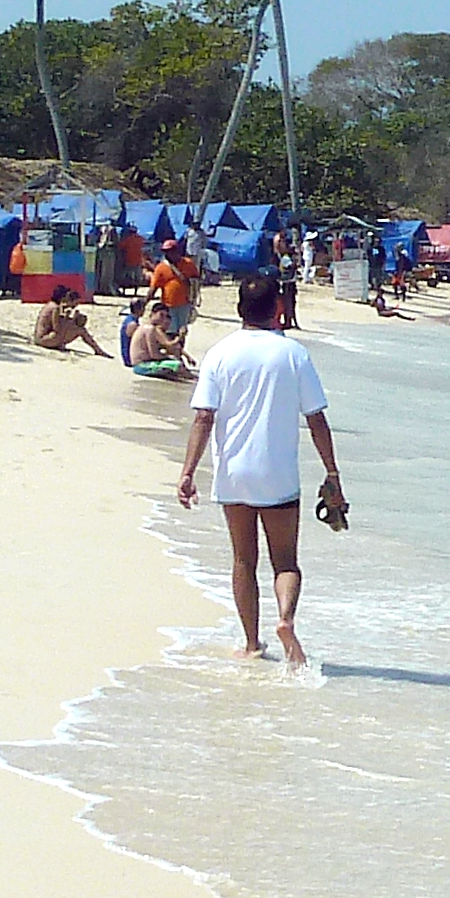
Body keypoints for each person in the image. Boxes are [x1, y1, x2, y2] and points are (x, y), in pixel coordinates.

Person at [178, 277, 342, 666]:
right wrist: (332, 473)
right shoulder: (292, 354)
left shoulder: (219, 354)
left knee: (242, 560)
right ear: (278, 309)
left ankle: (251, 643)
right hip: (278, 473)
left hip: (233, 473)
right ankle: (284, 620)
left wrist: (187, 472)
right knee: (284, 561)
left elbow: (203, 417)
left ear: (239, 309)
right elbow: (316, 419)